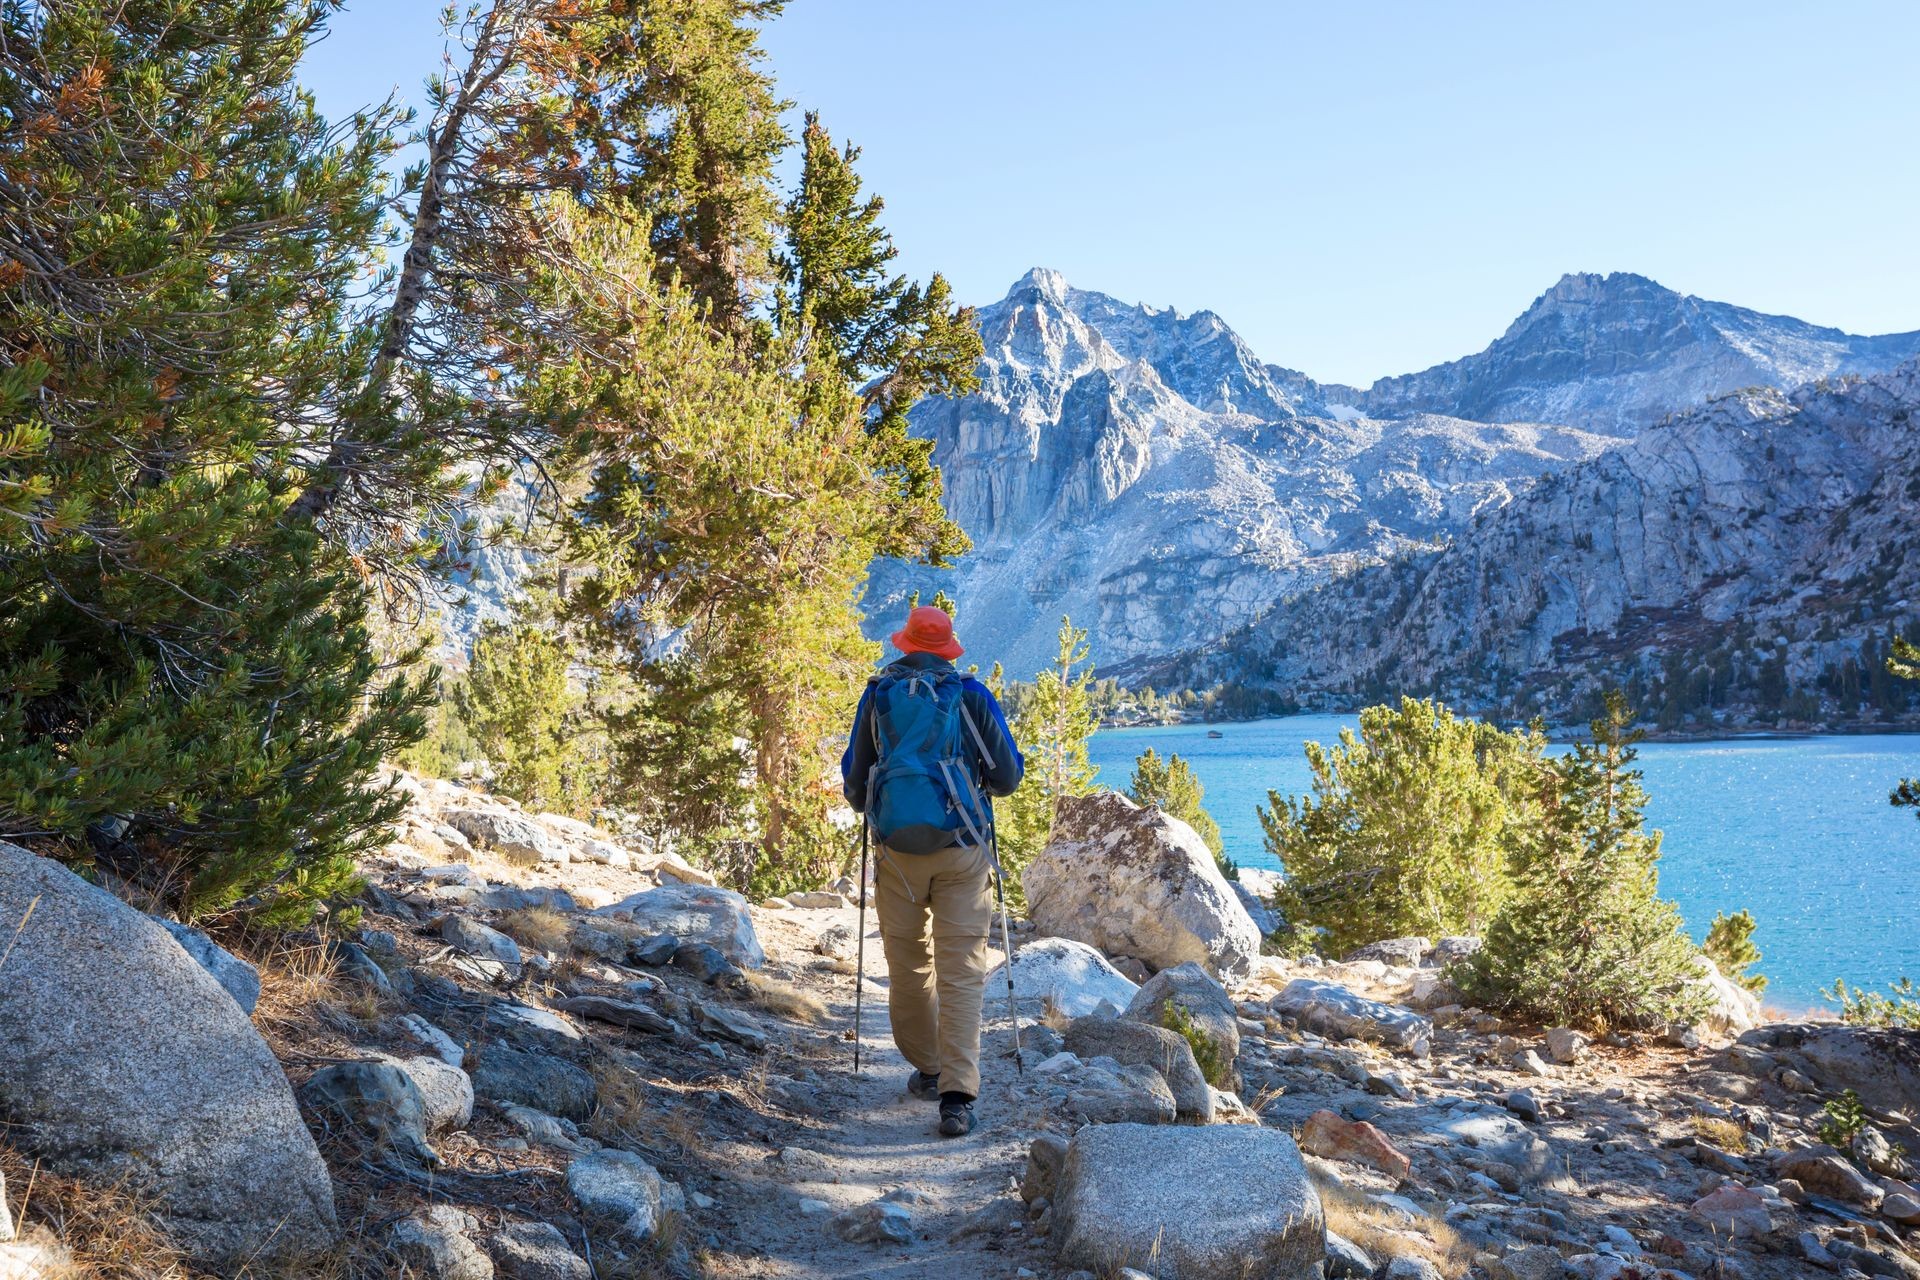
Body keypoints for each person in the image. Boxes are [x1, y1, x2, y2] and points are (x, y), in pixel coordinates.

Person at [841, 605, 1023, 1137]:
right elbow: (1008, 778)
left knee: (908, 964)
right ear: (948, 648)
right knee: (962, 969)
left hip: (896, 851)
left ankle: (927, 1065)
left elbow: (855, 786)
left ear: (905, 644)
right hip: (962, 848)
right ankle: (957, 1096)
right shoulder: (969, 695)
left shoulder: (879, 696)